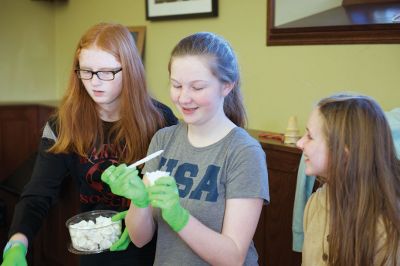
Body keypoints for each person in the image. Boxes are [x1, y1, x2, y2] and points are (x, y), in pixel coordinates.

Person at [1, 22, 178, 266]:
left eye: (106, 72)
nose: (95, 82)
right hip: (95, 245)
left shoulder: (161, 120)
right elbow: (38, 193)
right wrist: (16, 245)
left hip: (155, 249)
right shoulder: (61, 125)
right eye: (86, 71)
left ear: (130, 70)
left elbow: (177, 192)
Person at [101, 32, 270, 265]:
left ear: (227, 86)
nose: (183, 98)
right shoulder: (163, 141)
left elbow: (233, 257)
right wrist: (139, 202)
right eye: (176, 85)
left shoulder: (244, 152)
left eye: (197, 87)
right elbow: (140, 239)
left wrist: (179, 216)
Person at [296, 93, 400, 265]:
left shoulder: (386, 230)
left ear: (344, 154)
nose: (300, 143)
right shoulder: (315, 205)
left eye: (310, 136)